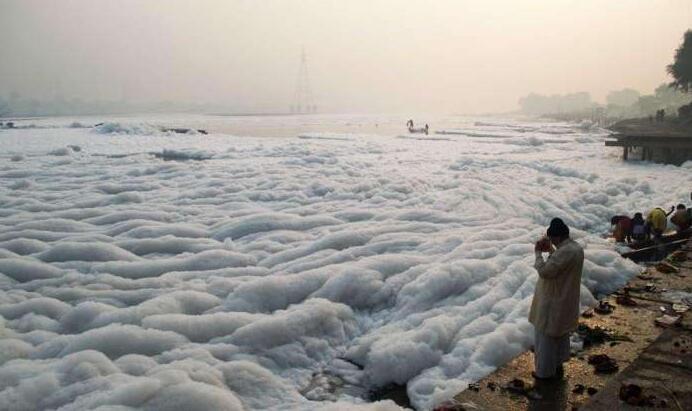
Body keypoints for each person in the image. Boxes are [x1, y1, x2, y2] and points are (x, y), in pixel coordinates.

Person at [530, 218, 584, 380]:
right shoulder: (575, 248)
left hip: (553, 301)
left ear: (557, 237)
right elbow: (561, 264)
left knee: (545, 338)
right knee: (559, 335)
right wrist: (552, 251)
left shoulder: (565, 251)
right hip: (565, 299)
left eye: (552, 239)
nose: (551, 241)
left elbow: (546, 271)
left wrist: (538, 253)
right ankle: (557, 365)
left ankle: (544, 373)